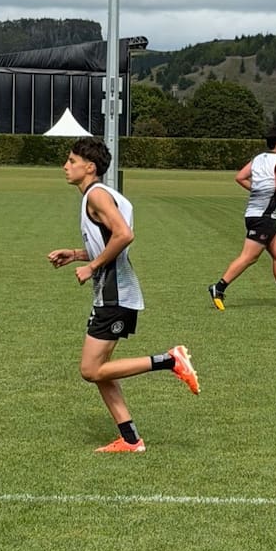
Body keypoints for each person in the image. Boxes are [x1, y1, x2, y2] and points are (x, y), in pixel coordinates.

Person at [48, 137, 199, 453]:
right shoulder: (97, 195)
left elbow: (124, 235)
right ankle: (130, 439)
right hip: (112, 295)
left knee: (90, 370)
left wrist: (92, 266)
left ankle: (170, 360)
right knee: (102, 371)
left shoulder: (97, 195)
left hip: (115, 296)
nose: (66, 166)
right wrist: (77, 254)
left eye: (72, 161)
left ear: (89, 167)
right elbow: (108, 240)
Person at [208, 126, 276, 310]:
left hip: (259, 215)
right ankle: (218, 287)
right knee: (249, 257)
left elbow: (240, 177)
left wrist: (258, 191)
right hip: (265, 217)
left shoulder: (258, 158)